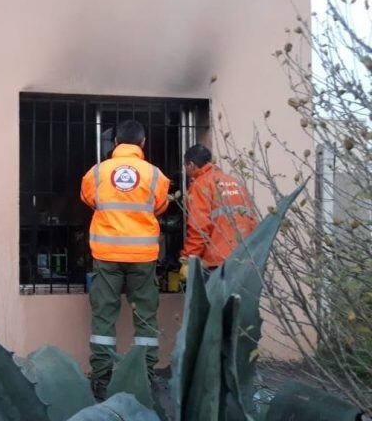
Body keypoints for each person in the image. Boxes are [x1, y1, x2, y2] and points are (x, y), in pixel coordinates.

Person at [80, 120, 170, 399]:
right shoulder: (155, 175)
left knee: (104, 316)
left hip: (107, 255)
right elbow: (161, 206)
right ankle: (145, 376)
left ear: (116, 142)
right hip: (142, 256)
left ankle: (102, 380)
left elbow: (88, 199)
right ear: (142, 143)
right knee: (145, 315)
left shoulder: (96, 172)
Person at [179, 144, 257, 278]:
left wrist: (188, 259)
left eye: (185, 166)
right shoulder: (235, 182)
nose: (185, 171)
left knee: (214, 299)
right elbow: (252, 221)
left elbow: (199, 227)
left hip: (217, 261)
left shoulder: (200, 185)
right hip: (243, 256)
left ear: (191, 164)